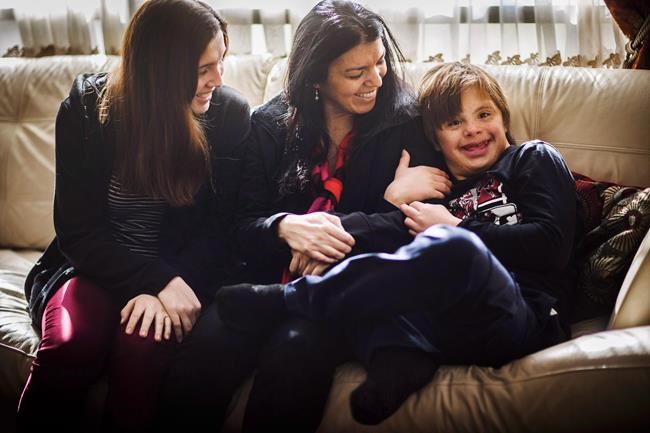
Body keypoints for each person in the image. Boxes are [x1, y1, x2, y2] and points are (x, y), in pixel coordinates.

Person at [216, 61, 578, 425]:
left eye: (484, 114)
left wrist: (457, 226)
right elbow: (380, 230)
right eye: (454, 123)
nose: (472, 129)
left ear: (504, 119)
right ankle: (403, 353)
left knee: (456, 247)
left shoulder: (531, 158)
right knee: (379, 276)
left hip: (520, 314)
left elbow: (552, 245)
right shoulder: (438, 193)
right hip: (449, 329)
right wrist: (316, 235)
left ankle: (291, 300)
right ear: (435, 140)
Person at [162, 1, 449, 432]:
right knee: (205, 352)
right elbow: (238, 227)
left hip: (350, 292)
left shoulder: (407, 123)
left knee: (293, 352)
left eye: (379, 62)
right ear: (316, 76)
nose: (376, 79)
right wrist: (285, 228)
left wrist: (333, 235)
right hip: (265, 283)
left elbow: (423, 225)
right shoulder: (269, 126)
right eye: (356, 73)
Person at [16, 1, 251, 432]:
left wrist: (165, 284)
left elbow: (221, 233)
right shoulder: (87, 110)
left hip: (180, 276)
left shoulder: (230, 117)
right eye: (204, 69)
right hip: (92, 270)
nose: (218, 79)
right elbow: (77, 233)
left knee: (142, 348)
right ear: (161, 71)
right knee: (70, 345)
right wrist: (153, 279)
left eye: (221, 61)